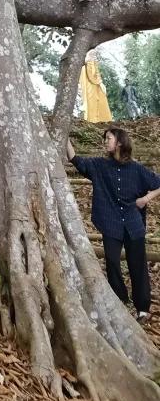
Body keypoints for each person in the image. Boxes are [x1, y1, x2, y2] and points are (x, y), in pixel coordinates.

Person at [69, 126, 160, 319]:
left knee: (138, 264)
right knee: (111, 260)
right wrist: (65, 138)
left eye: (108, 138)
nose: (105, 142)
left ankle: (142, 308)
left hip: (133, 224)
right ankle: (120, 301)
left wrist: (146, 199)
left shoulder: (137, 170)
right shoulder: (100, 166)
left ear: (119, 142)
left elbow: (158, 184)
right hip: (111, 223)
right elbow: (76, 160)